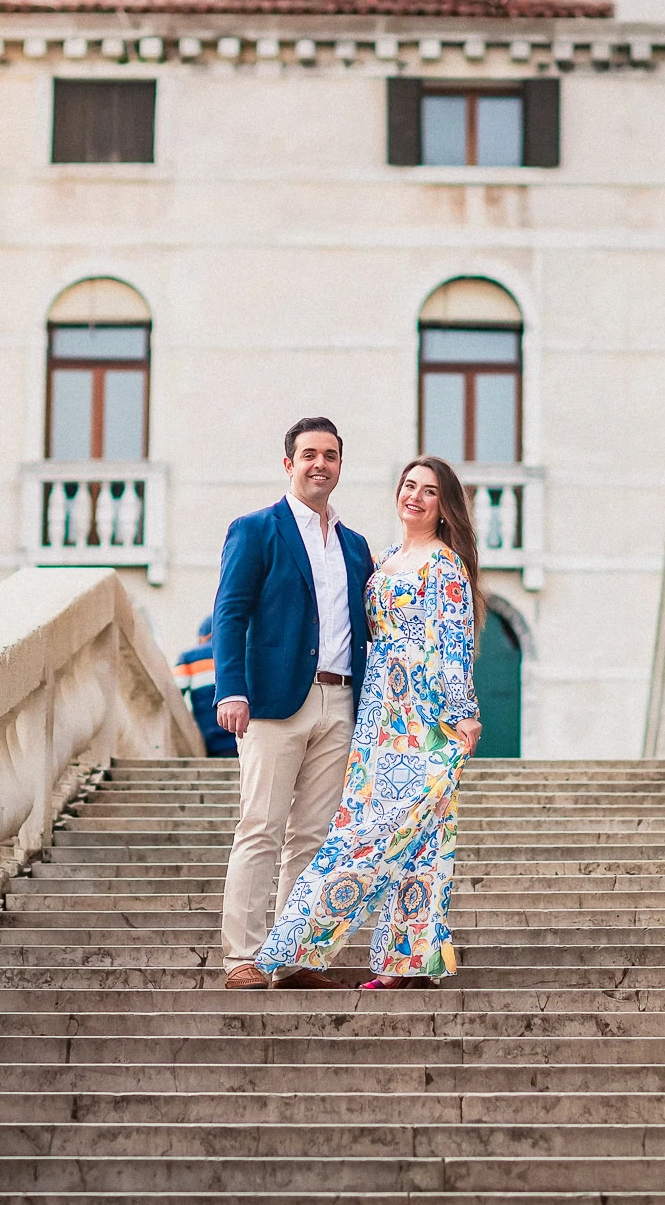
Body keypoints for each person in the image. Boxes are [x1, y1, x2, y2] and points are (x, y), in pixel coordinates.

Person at [255, 455, 483, 990]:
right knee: (385, 833)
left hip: (425, 717)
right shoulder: (383, 560)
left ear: (443, 506)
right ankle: (404, 962)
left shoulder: (445, 565)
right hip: (377, 714)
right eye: (409, 486)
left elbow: (454, 644)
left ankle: (311, 941)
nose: (416, 497)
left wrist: (464, 712)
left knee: (403, 837)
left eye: (429, 491)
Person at [211, 417, 376, 991]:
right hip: (273, 702)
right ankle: (243, 958)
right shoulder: (257, 530)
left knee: (313, 836)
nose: (319, 464)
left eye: (330, 455)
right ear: (288, 464)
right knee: (261, 826)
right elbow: (230, 612)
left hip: (341, 699)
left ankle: (293, 953)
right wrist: (230, 688)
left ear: (339, 466)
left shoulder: (355, 546)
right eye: (308, 454)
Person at [173, 616, 236, 757]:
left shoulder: (189, 657)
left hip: (209, 735)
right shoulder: (240, 651)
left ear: (202, 636)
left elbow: (175, 693)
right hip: (240, 734)